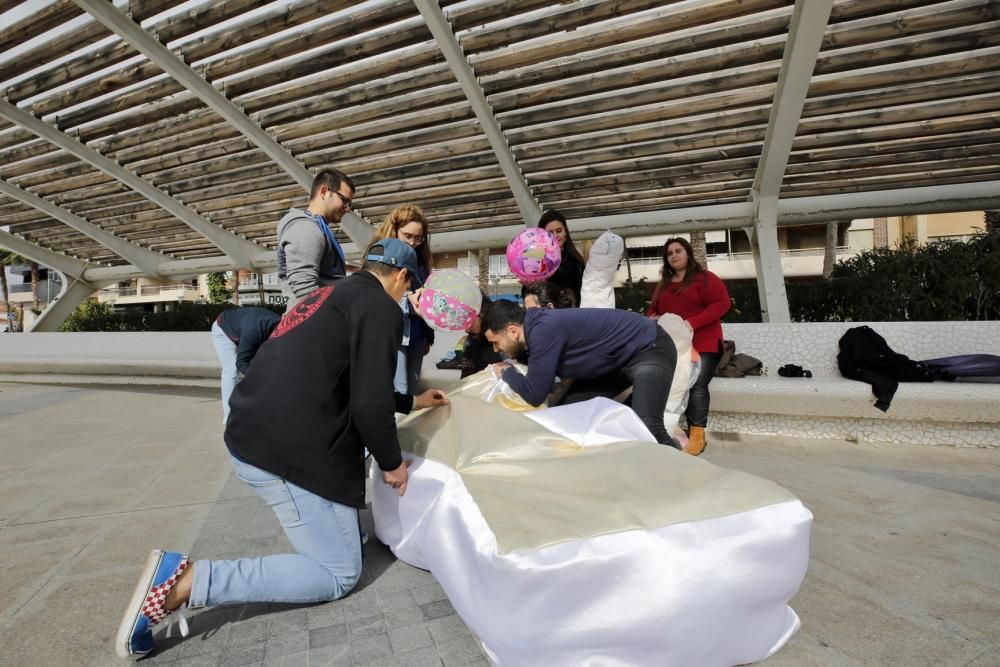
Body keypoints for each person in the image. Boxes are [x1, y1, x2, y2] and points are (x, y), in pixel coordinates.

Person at [115, 239, 450, 659]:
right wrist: (391, 463)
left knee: (341, 538)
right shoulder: (381, 305)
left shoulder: (330, 295)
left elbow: (347, 379)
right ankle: (184, 582)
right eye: (408, 286)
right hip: (285, 450)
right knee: (338, 573)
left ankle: (327, 527)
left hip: (252, 431)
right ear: (402, 276)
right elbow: (367, 401)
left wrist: (412, 401)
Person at [483, 301, 679, 447]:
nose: (495, 349)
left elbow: (535, 394)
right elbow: (541, 377)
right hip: (615, 363)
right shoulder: (534, 332)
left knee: (647, 428)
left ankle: (684, 475)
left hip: (649, 348)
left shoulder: (543, 330)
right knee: (568, 416)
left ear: (513, 331)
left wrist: (506, 372)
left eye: (495, 342)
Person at [646, 237, 730, 456]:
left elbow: (722, 304)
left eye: (678, 251)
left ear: (688, 254)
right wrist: (655, 319)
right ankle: (665, 427)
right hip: (673, 346)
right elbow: (651, 312)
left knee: (697, 383)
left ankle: (697, 436)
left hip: (704, 342)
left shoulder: (704, 279)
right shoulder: (663, 285)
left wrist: (692, 323)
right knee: (661, 379)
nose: (674, 255)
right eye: (669, 253)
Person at [370, 205, 434, 394]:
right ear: (395, 230)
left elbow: (426, 297)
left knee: (411, 387)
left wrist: (428, 336)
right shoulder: (380, 255)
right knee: (400, 389)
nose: (413, 243)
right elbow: (377, 294)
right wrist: (408, 297)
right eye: (407, 236)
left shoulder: (421, 261)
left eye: (418, 238)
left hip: (417, 333)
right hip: (393, 332)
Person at [276, 168, 355, 311]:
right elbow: (305, 290)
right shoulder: (305, 228)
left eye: (349, 203)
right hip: (310, 325)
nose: (347, 208)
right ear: (324, 192)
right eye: (344, 200)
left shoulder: (315, 227)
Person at [210, 306, 281, 423]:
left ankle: (259, 406)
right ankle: (230, 417)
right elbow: (241, 363)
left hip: (245, 326)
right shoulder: (253, 332)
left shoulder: (281, 324)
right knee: (231, 370)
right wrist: (259, 378)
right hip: (223, 330)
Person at [539, 210, 585, 307]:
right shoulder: (537, 261)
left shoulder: (576, 261)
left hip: (573, 315)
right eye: (550, 233)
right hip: (547, 316)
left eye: (559, 231)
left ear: (565, 232)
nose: (555, 236)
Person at [460, 292, 503, 378]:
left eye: (468, 321)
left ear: (480, 313)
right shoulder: (470, 343)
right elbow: (466, 378)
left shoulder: (505, 336)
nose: (466, 330)